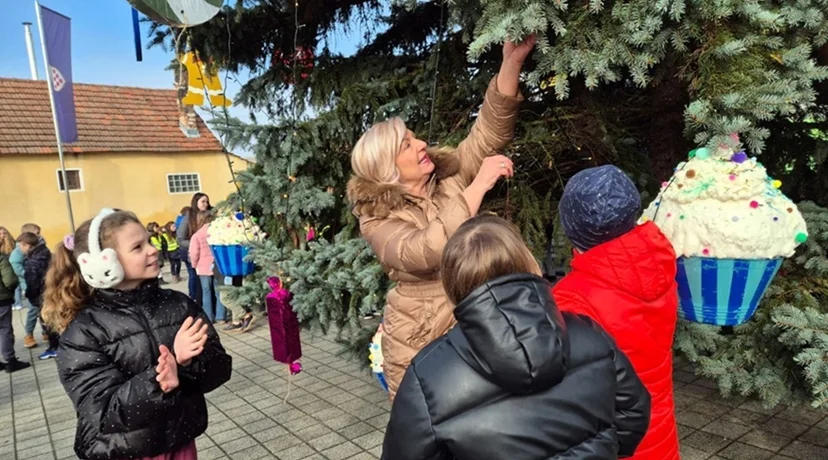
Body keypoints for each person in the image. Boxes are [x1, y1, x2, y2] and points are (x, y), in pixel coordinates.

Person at [347, 37, 534, 400]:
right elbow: (424, 250)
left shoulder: (448, 177)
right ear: (387, 168)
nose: (421, 145)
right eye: (407, 144)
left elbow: (488, 134)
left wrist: (511, 63)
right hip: (420, 334)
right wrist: (476, 187)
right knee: (435, 422)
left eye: (415, 138)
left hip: (479, 313)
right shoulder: (375, 218)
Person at [382, 215, 651, 460]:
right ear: (528, 261)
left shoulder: (427, 377)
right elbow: (633, 415)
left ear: (452, 284)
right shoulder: (588, 333)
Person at [41, 209, 232, 460]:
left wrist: (186, 365)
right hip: (124, 451)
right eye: (137, 247)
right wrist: (159, 378)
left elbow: (220, 369)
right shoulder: (84, 331)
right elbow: (102, 411)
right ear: (103, 263)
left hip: (180, 443)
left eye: (149, 241)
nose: (152, 250)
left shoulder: (179, 305)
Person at [552, 165, 680, 460]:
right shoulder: (658, 263)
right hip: (659, 435)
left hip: (614, 444)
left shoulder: (570, 298)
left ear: (572, 229)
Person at [17, 232, 59, 359]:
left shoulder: (32, 262)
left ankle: (54, 347)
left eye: (20, 246)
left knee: (48, 322)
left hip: (42, 295)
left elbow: (32, 283)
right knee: (56, 320)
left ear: (27, 245)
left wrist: (29, 295)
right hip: (54, 292)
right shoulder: (47, 254)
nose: (20, 249)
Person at [12, 223, 47, 347]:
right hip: (29, 284)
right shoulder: (18, 251)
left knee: (44, 309)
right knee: (33, 310)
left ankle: (46, 332)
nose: (39, 235)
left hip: (41, 282)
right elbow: (16, 267)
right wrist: (30, 273)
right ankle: (28, 335)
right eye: (37, 233)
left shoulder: (39, 246)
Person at [189, 210, 226, 323]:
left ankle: (209, 317)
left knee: (206, 292)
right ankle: (221, 317)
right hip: (217, 265)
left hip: (203, 267)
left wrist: (194, 265)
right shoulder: (218, 232)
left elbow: (194, 253)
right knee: (219, 291)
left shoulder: (197, 235)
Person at [0, 248, 30, 373]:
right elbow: (10, 280)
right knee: (4, 330)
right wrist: (11, 290)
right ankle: (11, 361)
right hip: (1, 300)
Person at [178, 195, 211, 302]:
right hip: (191, 253)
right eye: (203, 201)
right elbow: (180, 239)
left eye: (207, 201)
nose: (206, 204)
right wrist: (195, 243)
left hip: (207, 254)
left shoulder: (210, 214)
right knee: (194, 277)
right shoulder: (189, 217)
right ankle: (194, 299)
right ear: (196, 202)